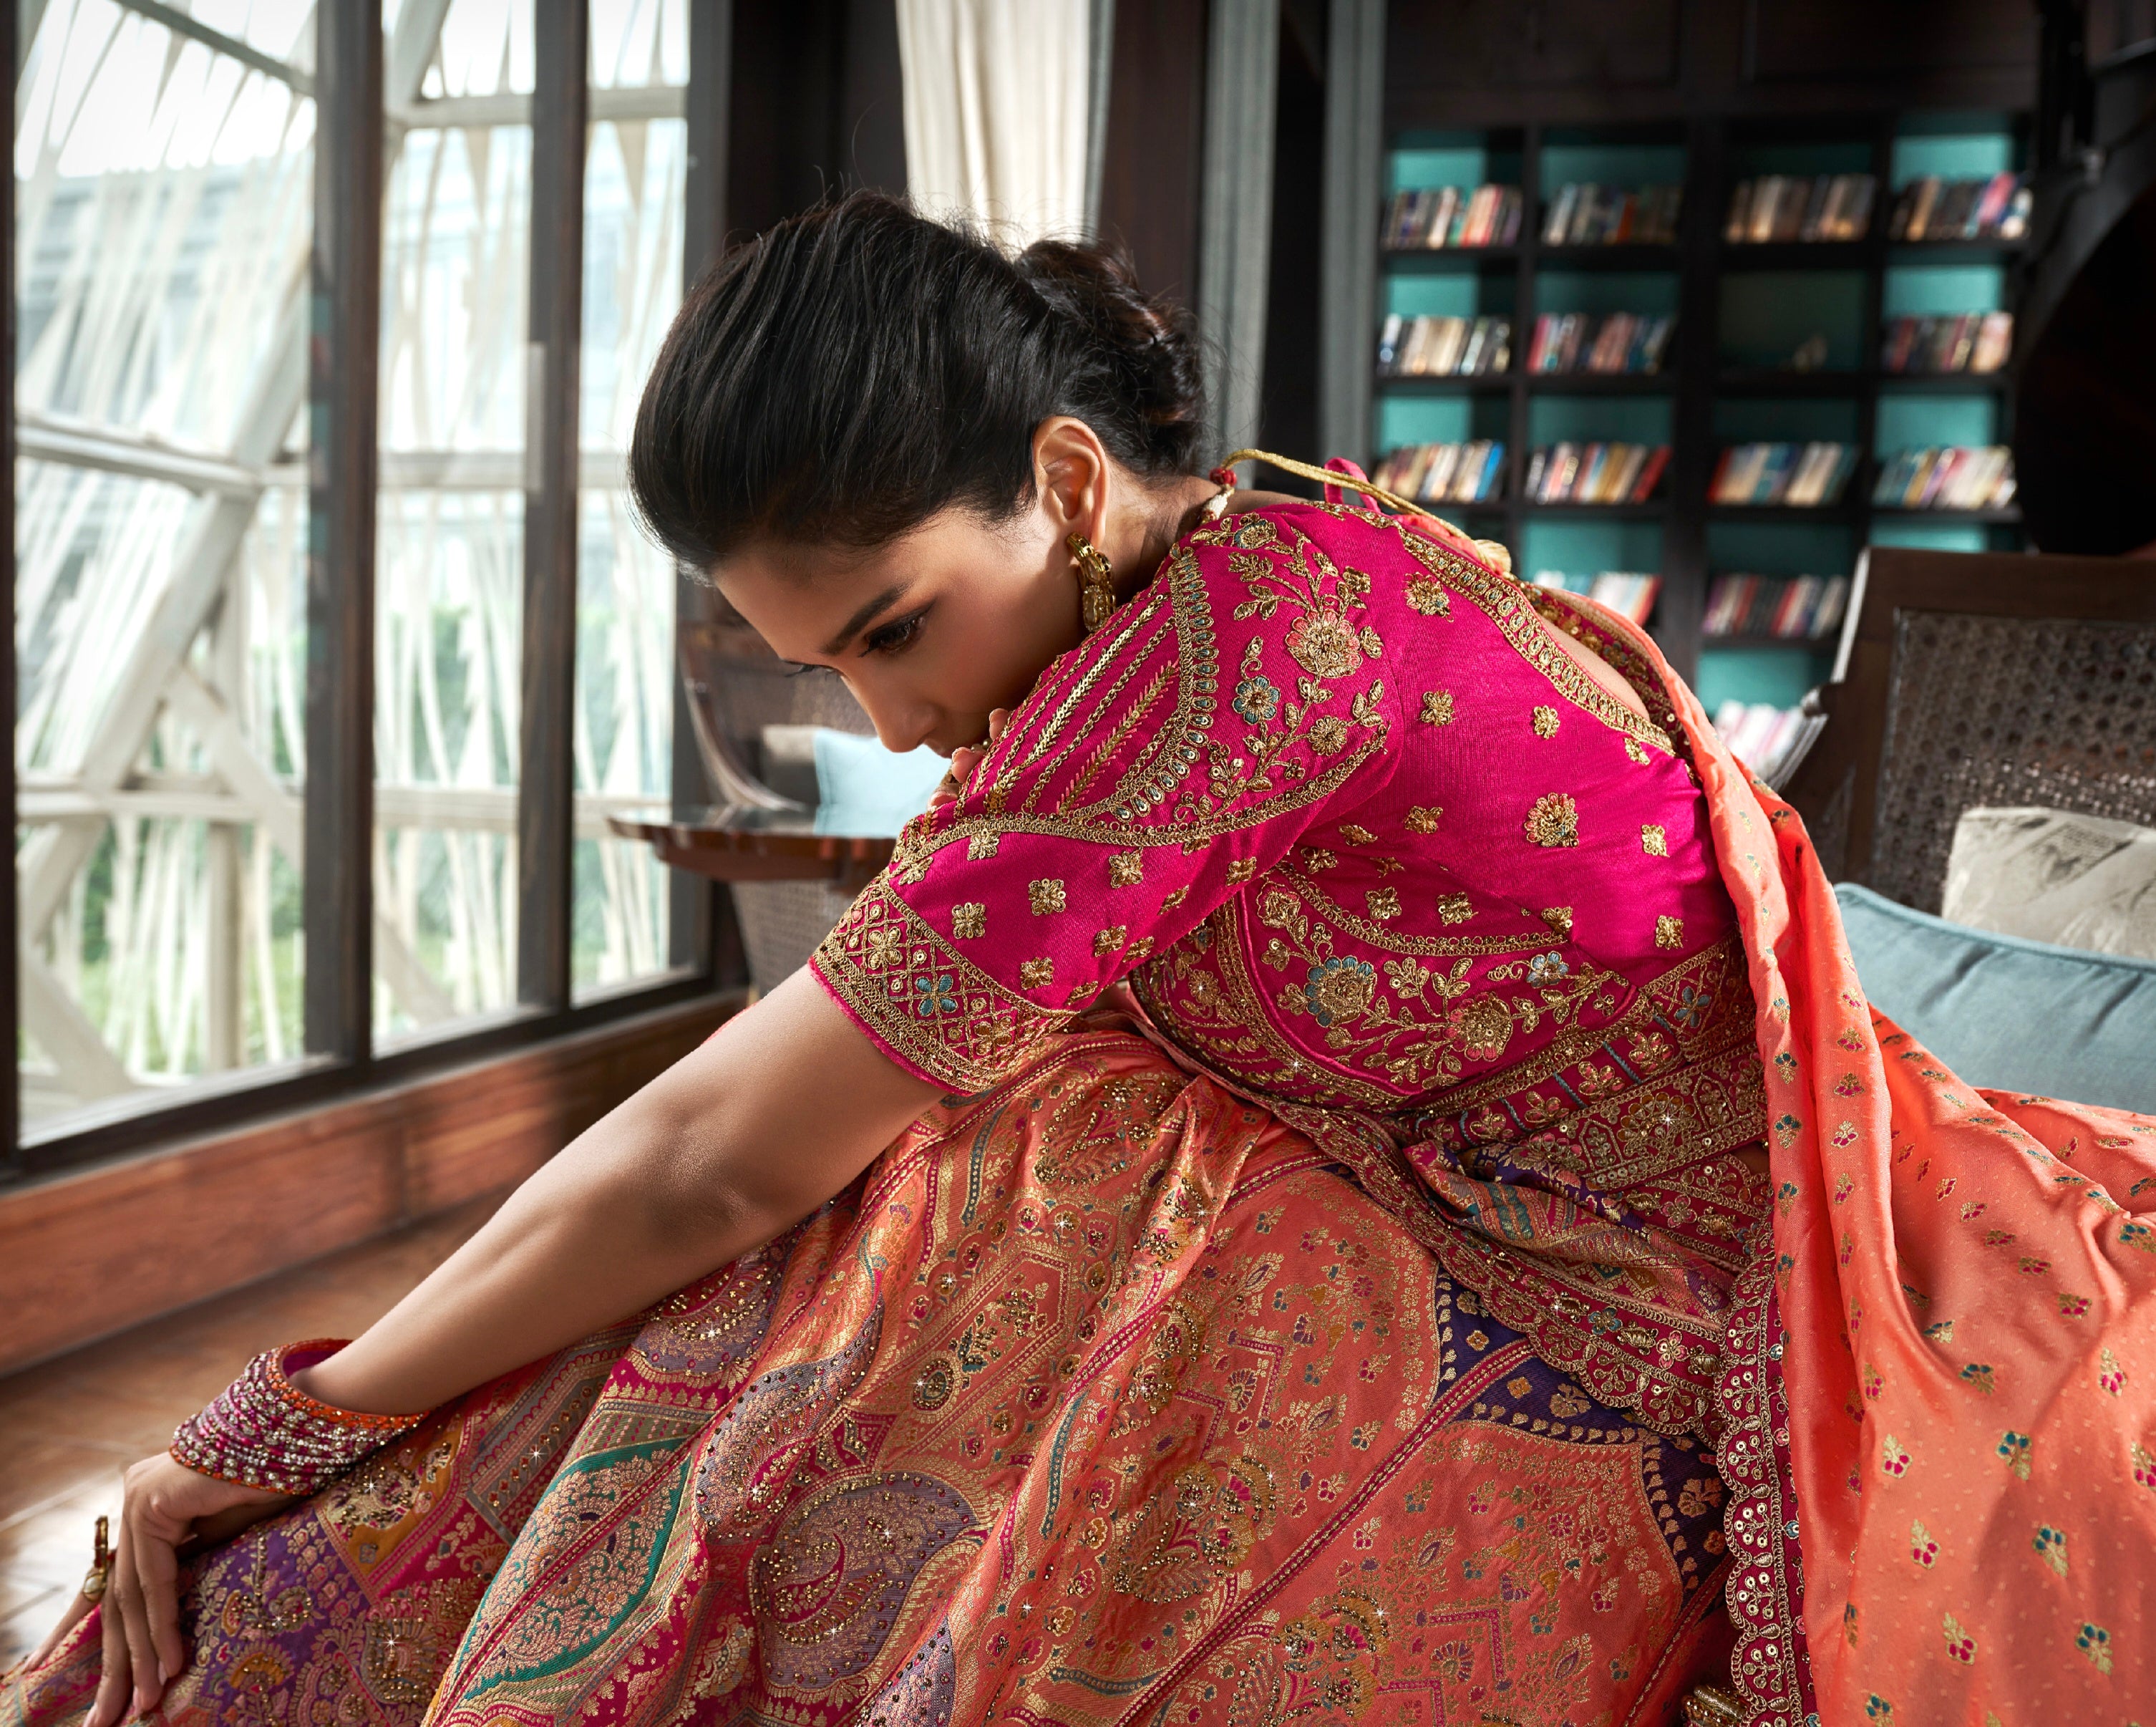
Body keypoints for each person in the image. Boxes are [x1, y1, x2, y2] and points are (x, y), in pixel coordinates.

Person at [6, 193, 2151, 1727]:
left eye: (889, 631)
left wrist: (279, 1423)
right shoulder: (1226, 558)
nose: (889, 726)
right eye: (815, 662)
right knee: (959, 1136)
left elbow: (706, 1160)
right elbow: (726, 1121)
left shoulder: (1232, 658)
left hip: (1705, 1254)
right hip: (1463, 1179)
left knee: (928, 1167)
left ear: (1060, 481)